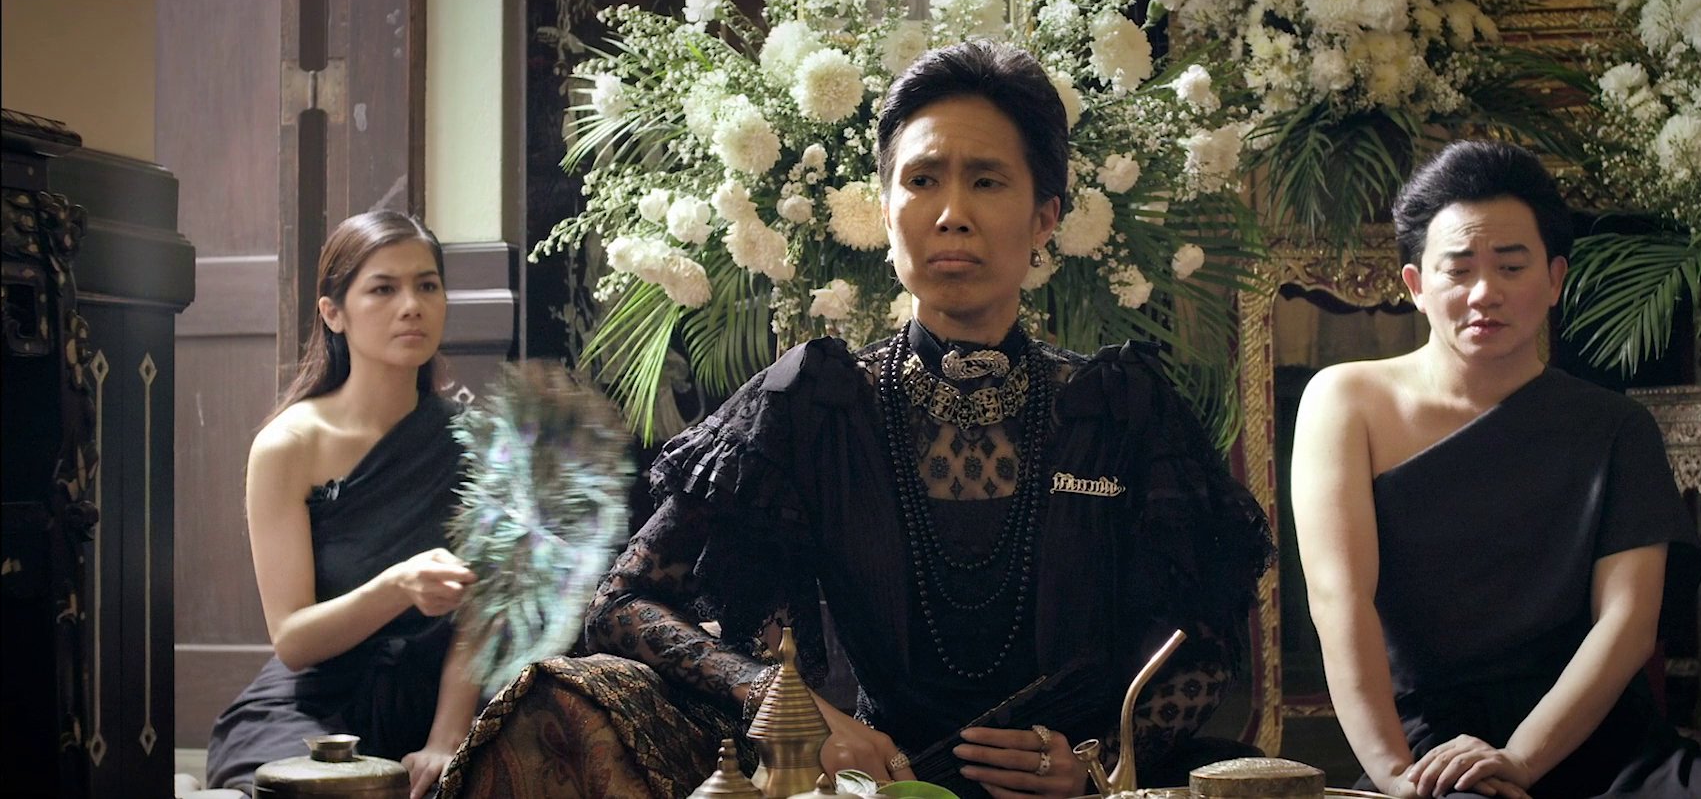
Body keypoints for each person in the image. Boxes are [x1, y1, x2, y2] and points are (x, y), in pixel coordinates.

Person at [438, 40, 1272, 799]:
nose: (951, 213)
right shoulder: (815, 402)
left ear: (1045, 217)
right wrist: (785, 705)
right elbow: (623, 603)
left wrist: (1099, 760)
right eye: (922, 180)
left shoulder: (1119, 408)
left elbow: (1202, 643)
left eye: (987, 181)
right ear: (885, 206)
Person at [1290, 141, 1701, 799]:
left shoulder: (1615, 427)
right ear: (1416, 285)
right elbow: (1339, 599)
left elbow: (1627, 624)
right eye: (1459, 269)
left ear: (1555, 279)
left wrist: (1522, 758)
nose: (1484, 293)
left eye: (1511, 266)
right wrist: (1391, 772)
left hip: (1597, 737)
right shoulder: (1346, 402)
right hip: (1434, 747)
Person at [205, 211, 483, 799]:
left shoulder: (478, 442)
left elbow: (484, 615)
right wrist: (398, 586)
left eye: (427, 285)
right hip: (313, 704)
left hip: (438, 699)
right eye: (383, 289)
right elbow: (293, 641)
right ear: (333, 313)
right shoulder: (288, 445)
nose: (411, 306)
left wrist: (447, 740)